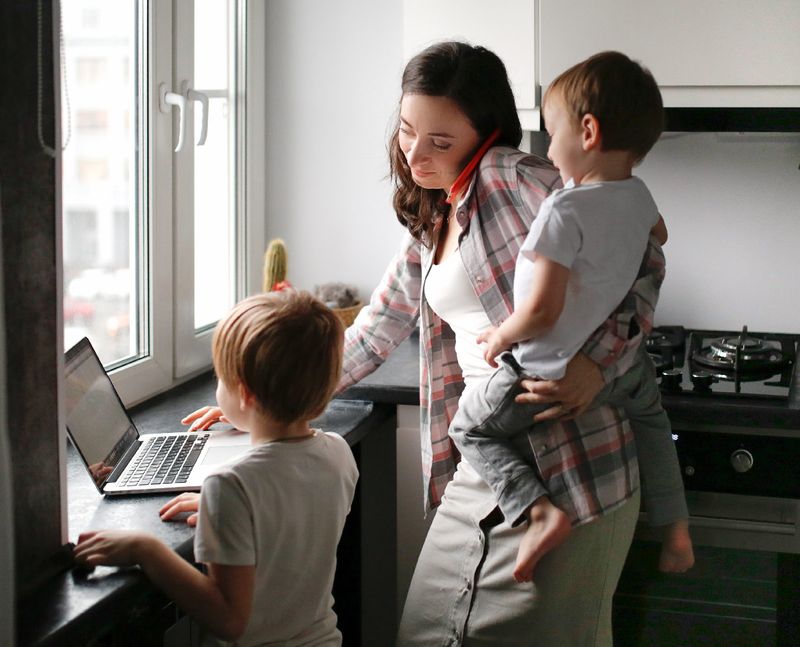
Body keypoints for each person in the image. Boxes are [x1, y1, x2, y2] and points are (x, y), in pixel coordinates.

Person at [184, 42, 666, 646]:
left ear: (486, 137)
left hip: (571, 462)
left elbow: (644, 252)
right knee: (427, 631)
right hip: (492, 453)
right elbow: (373, 331)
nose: (415, 154)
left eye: (440, 142)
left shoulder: (515, 177)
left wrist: (598, 365)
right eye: (409, 131)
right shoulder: (438, 218)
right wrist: (259, 402)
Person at [447, 50, 693, 584]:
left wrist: (499, 336)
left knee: (469, 428)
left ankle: (539, 513)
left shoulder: (562, 209)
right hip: (619, 371)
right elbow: (660, 240)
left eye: (551, 131)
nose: (547, 147)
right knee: (654, 423)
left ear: (587, 131)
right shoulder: (639, 195)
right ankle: (675, 527)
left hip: (544, 370)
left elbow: (541, 311)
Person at [74, 291, 359, 647]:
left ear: (246, 395)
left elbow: (229, 619)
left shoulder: (230, 487)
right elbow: (289, 515)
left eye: (220, 377)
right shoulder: (338, 454)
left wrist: (146, 549)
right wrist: (227, 513)